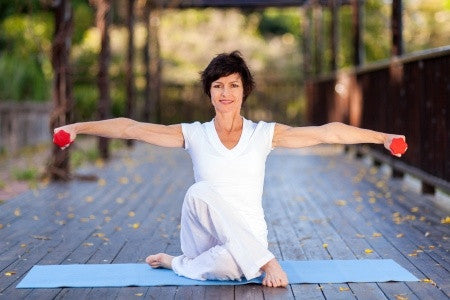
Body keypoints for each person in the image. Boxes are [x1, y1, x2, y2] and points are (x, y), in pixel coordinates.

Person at [54, 51, 406, 288]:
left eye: (233, 85)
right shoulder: (193, 134)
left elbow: (327, 132)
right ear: (209, 92)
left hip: (246, 240)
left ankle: (175, 263)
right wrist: (78, 128)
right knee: (200, 191)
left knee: (231, 268)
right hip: (203, 233)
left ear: (244, 91)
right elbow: (130, 127)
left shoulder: (263, 134)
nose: (225, 93)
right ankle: (267, 263)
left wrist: (383, 137)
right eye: (218, 86)